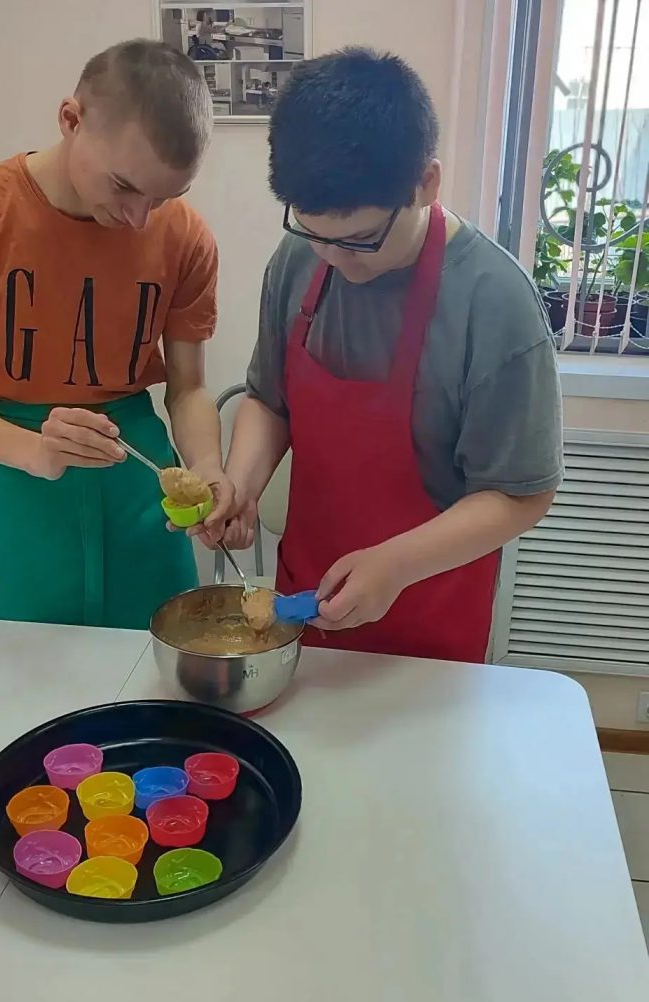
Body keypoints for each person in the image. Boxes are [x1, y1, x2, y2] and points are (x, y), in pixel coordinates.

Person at [213, 48, 563, 662]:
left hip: (427, 626)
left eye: (360, 239)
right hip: (301, 611)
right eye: (314, 233)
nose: (333, 258)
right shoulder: (299, 259)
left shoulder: (494, 301)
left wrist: (396, 564)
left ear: (426, 184)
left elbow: (520, 494)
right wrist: (240, 484)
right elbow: (269, 401)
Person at [0, 40, 231, 629]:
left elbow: (188, 389)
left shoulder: (185, 237)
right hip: (20, 474)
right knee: (38, 664)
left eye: (164, 197)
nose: (139, 218)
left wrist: (207, 465)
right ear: (71, 120)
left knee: (160, 648)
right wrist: (35, 453)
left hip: (140, 478)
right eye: (124, 186)